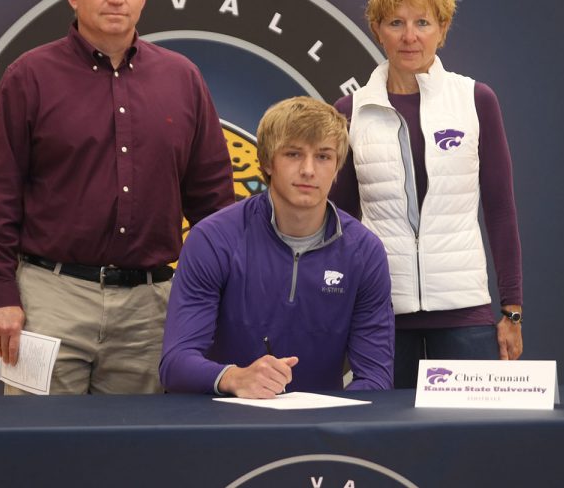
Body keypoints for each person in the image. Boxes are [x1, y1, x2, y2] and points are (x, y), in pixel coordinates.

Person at [0, 0, 235, 395]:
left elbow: (213, 199)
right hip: (48, 300)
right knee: (36, 448)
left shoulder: (182, 78)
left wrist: (222, 293)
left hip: (150, 306)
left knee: (139, 457)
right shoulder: (29, 77)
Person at [329, 0, 523, 389]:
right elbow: (339, 223)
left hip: (464, 311)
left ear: (443, 28)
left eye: (422, 22)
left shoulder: (475, 100)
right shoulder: (350, 111)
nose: (409, 36)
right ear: (377, 29)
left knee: (471, 445)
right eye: (395, 23)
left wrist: (512, 310)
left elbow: (500, 210)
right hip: (381, 314)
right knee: (385, 445)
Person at [160, 97, 394, 398]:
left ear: (337, 168)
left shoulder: (365, 252)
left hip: (320, 433)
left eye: (323, 157)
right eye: (294, 154)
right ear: (267, 162)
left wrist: (327, 415)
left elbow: (376, 376)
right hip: (223, 420)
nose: (309, 170)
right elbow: (176, 363)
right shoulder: (213, 239)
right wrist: (234, 378)